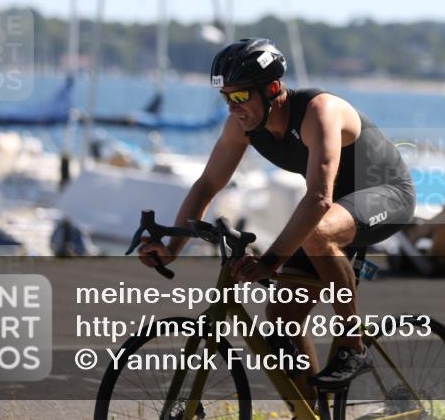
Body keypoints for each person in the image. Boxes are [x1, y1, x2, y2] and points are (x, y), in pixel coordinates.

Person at [138, 38, 416, 397]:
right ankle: (313, 411)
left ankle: (354, 346)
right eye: (226, 97)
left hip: (387, 195)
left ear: (272, 89)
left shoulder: (320, 112)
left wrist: (270, 261)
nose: (232, 107)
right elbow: (208, 183)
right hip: (331, 212)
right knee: (281, 318)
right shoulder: (243, 125)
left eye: (240, 96)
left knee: (318, 233)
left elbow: (317, 199)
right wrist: (173, 248)